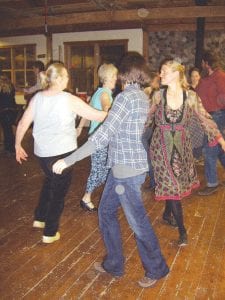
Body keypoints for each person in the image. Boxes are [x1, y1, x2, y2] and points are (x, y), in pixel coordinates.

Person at [52, 52, 169, 288]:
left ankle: (157, 268)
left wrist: (69, 160)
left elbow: (102, 136)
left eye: (118, 72)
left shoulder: (125, 98)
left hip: (125, 171)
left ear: (126, 73)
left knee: (138, 223)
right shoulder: (140, 97)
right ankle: (114, 264)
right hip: (123, 168)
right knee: (105, 212)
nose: (116, 76)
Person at [15, 63, 107, 244]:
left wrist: (18, 144)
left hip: (42, 154)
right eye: (65, 76)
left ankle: (40, 217)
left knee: (50, 182)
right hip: (63, 155)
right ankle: (50, 232)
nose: (67, 79)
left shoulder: (37, 98)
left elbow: (22, 123)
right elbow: (97, 116)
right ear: (57, 79)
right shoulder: (68, 99)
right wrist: (113, 112)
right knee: (58, 192)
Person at [148, 58, 225, 246]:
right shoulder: (158, 96)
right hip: (160, 148)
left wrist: (221, 139)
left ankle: (167, 214)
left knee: (172, 184)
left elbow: (205, 118)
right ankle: (183, 233)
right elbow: (146, 119)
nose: (160, 74)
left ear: (176, 73)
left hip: (182, 148)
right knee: (172, 187)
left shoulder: (190, 96)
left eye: (164, 71)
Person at [76, 63, 118, 212]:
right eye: (114, 76)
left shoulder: (98, 92)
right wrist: (112, 111)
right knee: (100, 169)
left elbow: (87, 110)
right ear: (108, 77)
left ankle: (93, 197)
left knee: (104, 169)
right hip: (101, 138)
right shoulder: (105, 94)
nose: (116, 78)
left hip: (97, 136)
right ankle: (86, 198)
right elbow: (107, 108)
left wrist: (80, 127)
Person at [196, 51, 225, 196]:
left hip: (216, 116)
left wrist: (216, 104)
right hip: (210, 116)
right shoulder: (209, 77)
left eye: (202, 62)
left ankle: (212, 183)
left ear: (206, 63)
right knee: (219, 149)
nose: (201, 65)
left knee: (209, 150)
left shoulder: (219, 76)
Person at [142, 71, 160, 190]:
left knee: (147, 157)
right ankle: (153, 182)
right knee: (147, 156)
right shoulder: (149, 93)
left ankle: (154, 183)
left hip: (144, 130)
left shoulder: (154, 94)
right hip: (147, 129)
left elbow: (148, 112)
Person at [0, 75, 17, 155]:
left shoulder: (1, 90)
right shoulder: (11, 88)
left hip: (4, 112)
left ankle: (9, 150)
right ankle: (11, 149)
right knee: (9, 131)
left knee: (7, 132)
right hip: (12, 111)